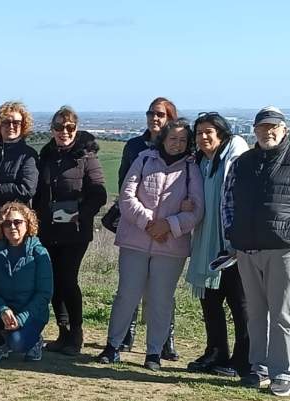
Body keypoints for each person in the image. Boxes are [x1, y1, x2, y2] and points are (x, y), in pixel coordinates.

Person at [223, 106, 290, 397]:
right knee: (255, 313)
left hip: (284, 250)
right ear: (254, 130)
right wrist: (232, 233)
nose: (267, 132)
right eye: (262, 127)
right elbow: (228, 201)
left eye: (274, 127)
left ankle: (284, 374)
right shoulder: (242, 162)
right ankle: (259, 369)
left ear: (284, 129)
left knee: (282, 314)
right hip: (247, 248)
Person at [97, 119, 203, 371]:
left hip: (171, 245)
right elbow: (126, 196)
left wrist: (169, 224)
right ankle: (113, 346)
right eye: (172, 139)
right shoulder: (144, 159)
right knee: (127, 294)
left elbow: (197, 210)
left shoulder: (192, 169)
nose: (176, 144)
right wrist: (148, 223)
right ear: (162, 139)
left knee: (161, 299)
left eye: (182, 140)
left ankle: (154, 352)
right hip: (135, 240)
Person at [35, 106, 107, 355]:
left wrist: (79, 214)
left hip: (75, 232)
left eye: (69, 127)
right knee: (53, 281)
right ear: (52, 129)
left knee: (68, 279)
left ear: (76, 129)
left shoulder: (87, 158)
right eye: (58, 127)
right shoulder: (45, 156)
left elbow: (99, 194)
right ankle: (62, 331)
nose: (63, 132)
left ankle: (76, 333)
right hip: (48, 230)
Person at [184, 112, 250, 377]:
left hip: (233, 243)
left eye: (208, 132)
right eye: (199, 133)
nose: (203, 137)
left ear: (222, 133)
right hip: (206, 243)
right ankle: (216, 351)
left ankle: (244, 359)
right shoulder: (202, 162)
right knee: (210, 301)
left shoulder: (235, 155)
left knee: (239, 303)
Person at [114, 97, 180, 358]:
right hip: (137, 224)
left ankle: (165, 340)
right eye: (151, 113)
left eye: (161, 114)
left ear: (170, 119)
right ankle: (126, 336)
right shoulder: (134, 146)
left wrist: (168, 223)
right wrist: (145, 219)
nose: (155, 118)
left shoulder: (183, 151)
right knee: (131, 286)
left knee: (163, 292)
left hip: (168, 232)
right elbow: (124, 182)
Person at [0, 202, 53, 362]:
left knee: (17, 343)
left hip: (30, 315)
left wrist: (22, 318)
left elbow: (44, 294)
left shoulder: (39, 253)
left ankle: (34, 341)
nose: (12, 227)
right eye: (7, 223)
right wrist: (2, 309)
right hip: (2, 312)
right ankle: (0, 342)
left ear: (28, 224)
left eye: (17, 222)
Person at [0, 101, 39, 242]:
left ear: (23, 126)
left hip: (17, 226)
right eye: (6, 122)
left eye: (16, 122)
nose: (11, 126)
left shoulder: (28, 155)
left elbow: (27, 189)